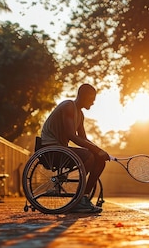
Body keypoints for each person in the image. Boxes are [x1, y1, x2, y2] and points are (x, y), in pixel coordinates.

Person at [40, 84, 109, 213]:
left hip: (61, 149)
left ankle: (84, 198)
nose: (93, 103)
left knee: (100, 161)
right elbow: (71, 136)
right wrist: (97, 151)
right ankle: (79, 200)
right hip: (50, 149)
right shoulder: (68, 106)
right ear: (82, 96)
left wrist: (100, 151)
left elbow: (83, 138)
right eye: (91, 99)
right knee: (89, 156)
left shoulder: (80, 114)